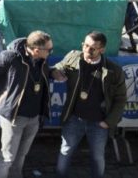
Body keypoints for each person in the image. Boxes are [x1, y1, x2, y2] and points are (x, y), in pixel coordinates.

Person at [0, 30, 55, 178]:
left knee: (21, 155)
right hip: (14, 117)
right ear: (36, 50)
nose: (51, 52)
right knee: (7, 158)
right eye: (49, 50)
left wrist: (52, 73)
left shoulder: (42, 59)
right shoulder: (11, 57)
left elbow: (39, 75)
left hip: (34, 117)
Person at [53, 31, 127, 178]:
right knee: (65, 152)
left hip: (99, 123)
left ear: (102, 50)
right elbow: (58, 67)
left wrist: (108, 122)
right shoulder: (74, 57)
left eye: (93, 48)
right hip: (74, 118)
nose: (87, 50)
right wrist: (56, 72)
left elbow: (121, 98)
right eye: (85, 45)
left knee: (97, 157)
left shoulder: (113, 70)